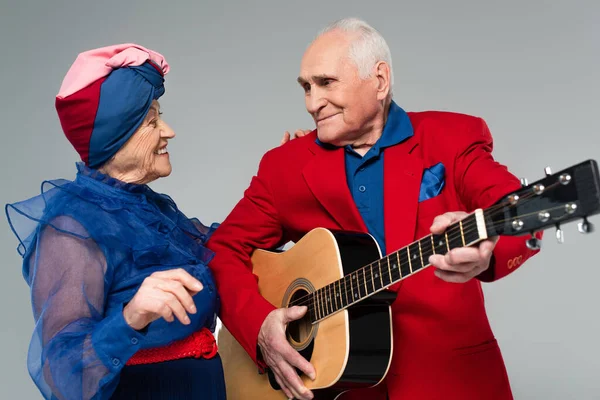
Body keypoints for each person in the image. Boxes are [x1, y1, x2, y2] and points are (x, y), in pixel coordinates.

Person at [206, 18, 543, 400]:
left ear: (379, 80)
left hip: (452, 380)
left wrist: (489, 251)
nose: (312, 103)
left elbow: (521, 210)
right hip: (334, 386)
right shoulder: (285, 166)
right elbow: (221, 250)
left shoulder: (451, 138)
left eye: (326, 83)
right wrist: (260, 325)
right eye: (306, 87)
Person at [5, 44, 296, 400]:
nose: (169, 131)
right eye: (152, 121)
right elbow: (62, 376)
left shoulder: (149, 210)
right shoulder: (70, 230)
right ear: (117, 137)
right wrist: (131, 316)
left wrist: (285, 181)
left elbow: (231, 246)